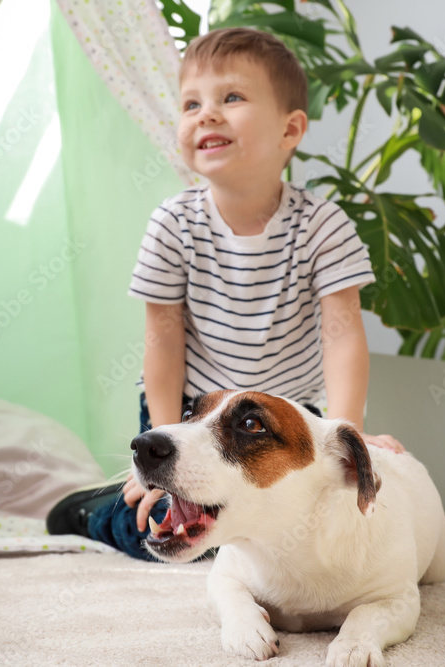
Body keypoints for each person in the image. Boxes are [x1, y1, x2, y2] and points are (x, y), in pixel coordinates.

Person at [46, 27, 404, 560]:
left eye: (231, 98)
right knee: (166, 530)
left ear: (290, 129)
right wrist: (166, 447)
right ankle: (83, 510)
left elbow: (343, 333)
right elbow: (163, 339)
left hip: (281, 413)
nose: (206, 114)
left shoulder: (324, 224)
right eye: (191, 103)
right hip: (189, 408)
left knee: (295, 528)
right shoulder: (173, 223)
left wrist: (344, 430)